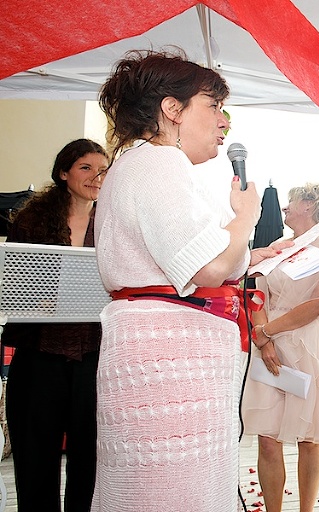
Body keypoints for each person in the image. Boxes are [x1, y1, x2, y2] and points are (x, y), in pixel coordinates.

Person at [93, 49, 284, 511]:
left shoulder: (139, 164)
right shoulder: (159, 162)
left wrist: (251, 253)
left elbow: (185, 259)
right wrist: (246, 217)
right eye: (213, 105)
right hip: (170, 362)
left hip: (160, 351)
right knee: (177, 492)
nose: (224, 122)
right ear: (171, 109)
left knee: (158, 490)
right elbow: (208, 269)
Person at [241, 183, 319, 512]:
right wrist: (263, 339)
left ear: (309, 204)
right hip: (269, 345)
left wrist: (268, 331)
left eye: (291, 202)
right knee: (267, 439)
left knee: (310, 437)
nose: (284, 208)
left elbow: (317, 304)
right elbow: (257, 293)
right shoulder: (277, 247)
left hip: (310, 344)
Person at [3, 138, 108, 512]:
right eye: (85, 167)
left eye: (102, 169)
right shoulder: (32, 219)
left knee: (90, 461)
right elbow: (15, 287)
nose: (96, 176)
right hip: (40, 356)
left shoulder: (112, 222)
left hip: (94, 357)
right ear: (63, 173)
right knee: (35, 460)